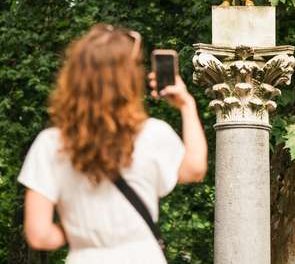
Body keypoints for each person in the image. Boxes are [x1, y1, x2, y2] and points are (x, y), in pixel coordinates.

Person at [18, 24, 207, 263]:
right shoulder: (152, 134)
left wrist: (80, 230)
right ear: (129, 79)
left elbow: (40, 236)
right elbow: (195, 168)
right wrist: (186, 105)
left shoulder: (50, 144)